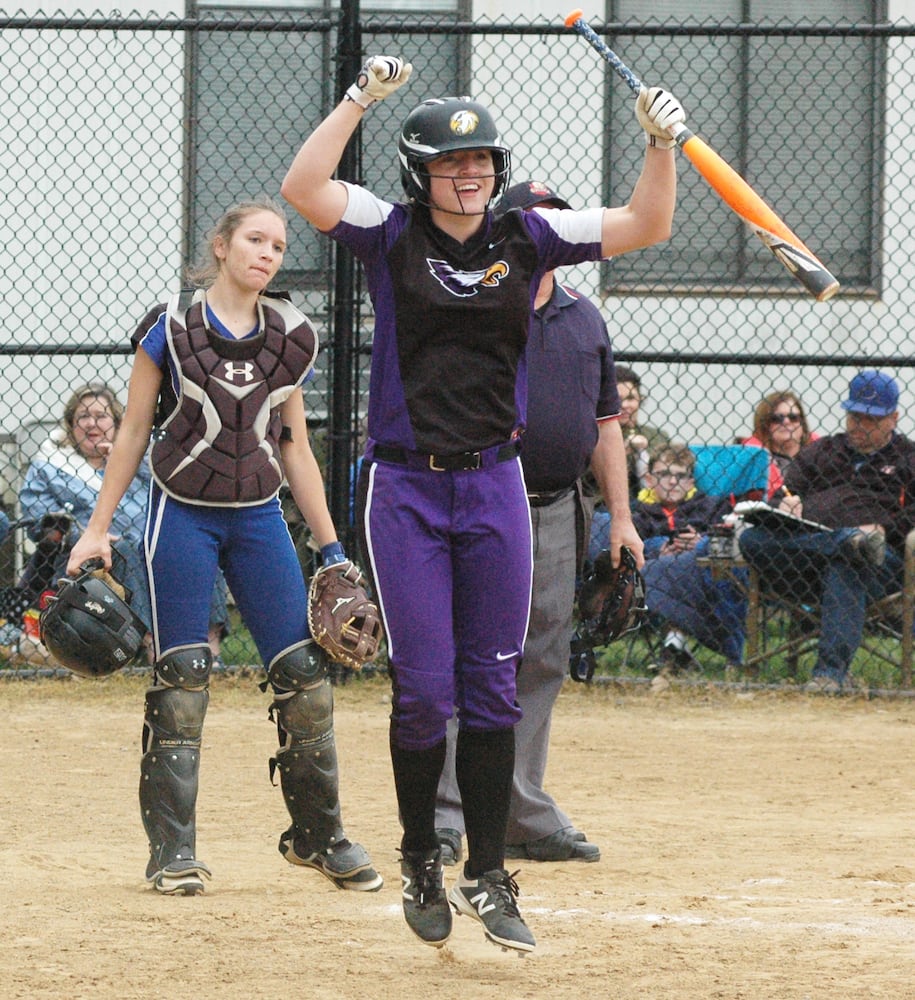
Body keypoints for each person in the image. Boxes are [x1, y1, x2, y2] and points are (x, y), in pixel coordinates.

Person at [280, 56, 683, 952]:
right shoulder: (389, 232)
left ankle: (489, 875)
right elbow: (303, 186)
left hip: (494, 484)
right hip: (406, 487)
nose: (470, 177)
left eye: (482, 163)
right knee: (424, 692)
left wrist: (659, 144)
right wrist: (357, 98)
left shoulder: (526, 236)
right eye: (450, 166)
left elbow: (647, 223)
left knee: (493, 687)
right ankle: (424, 855)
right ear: (418, 174)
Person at [66, 196, 381, 896]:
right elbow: (133, 432)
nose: (267, 254)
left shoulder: (291, 335)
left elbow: (295, 448)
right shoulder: (170, 330)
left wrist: (331, 550)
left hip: (259, 517)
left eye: (277, 245)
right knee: (182, 680)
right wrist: (97, 527)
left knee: (304, 676)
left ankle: (318, 837)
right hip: (181, 515)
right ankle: (172, 852)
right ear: (221, 246)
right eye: (255, 240)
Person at [432, 179, 643, 868]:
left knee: (542, 657)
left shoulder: (584, 318)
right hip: (481, 500)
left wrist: (621, 518)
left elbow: (606, 425)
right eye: (534, 219)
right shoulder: (478, 304)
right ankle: (444, 815)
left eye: (558, 219)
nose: (548, 230)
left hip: (556, 506)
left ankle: (518, 810)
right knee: (472, 655)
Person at [18, 383, 229, 660]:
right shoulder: (50, 465)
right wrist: (80, 535)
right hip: (87, 558)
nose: (92, 423)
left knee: (198, 544)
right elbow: (38, 517)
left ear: (117, 423)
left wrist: (126, 459)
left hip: (153, 546)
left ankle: (209, 649)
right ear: (71, 424)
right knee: (125, 549)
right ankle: (154, 647)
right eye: (83, 416)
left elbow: (170, 487)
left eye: (102, 415)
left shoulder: (140, 459)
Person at [739, 370, 915, 693]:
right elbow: (786, 492)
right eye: (854, 416)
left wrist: (882, 528)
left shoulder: (909, 457)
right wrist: (785, 506)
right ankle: (844, 542)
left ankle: (828, 675)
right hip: (804, 558)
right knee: (751, 539)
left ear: (893, 418)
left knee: (849, 562)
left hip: (878, 562)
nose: (859, 425)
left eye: (870, 419)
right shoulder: (824, 450)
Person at [633, 444, 742, 669]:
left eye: (681, 476)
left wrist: (701, 542)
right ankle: (675, 646)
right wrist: (658, 548)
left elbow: (726, 543)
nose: (673, 482)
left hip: (703, 584)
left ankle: (673, 647)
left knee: (693, 567)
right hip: (652, 585)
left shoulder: (711, 507)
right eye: (664, 474)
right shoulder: (636, 512)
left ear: (691, 482)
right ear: (649, 479)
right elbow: (628, 546)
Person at [588, 364, 671, 561]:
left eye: (631, 398)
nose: (625, 405)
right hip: (603, 506)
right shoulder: (595, 436)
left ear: (640, 400)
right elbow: (586, 477)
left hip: (650, 506)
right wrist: (620, 453)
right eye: (619, 399)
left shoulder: (657, 436)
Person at [741, 390, 818, 500]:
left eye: (793, 417)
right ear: (764, 425)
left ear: (802, 423)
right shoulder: (755, 460)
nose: (786, 422)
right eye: (777, 419)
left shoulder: (819, 455)